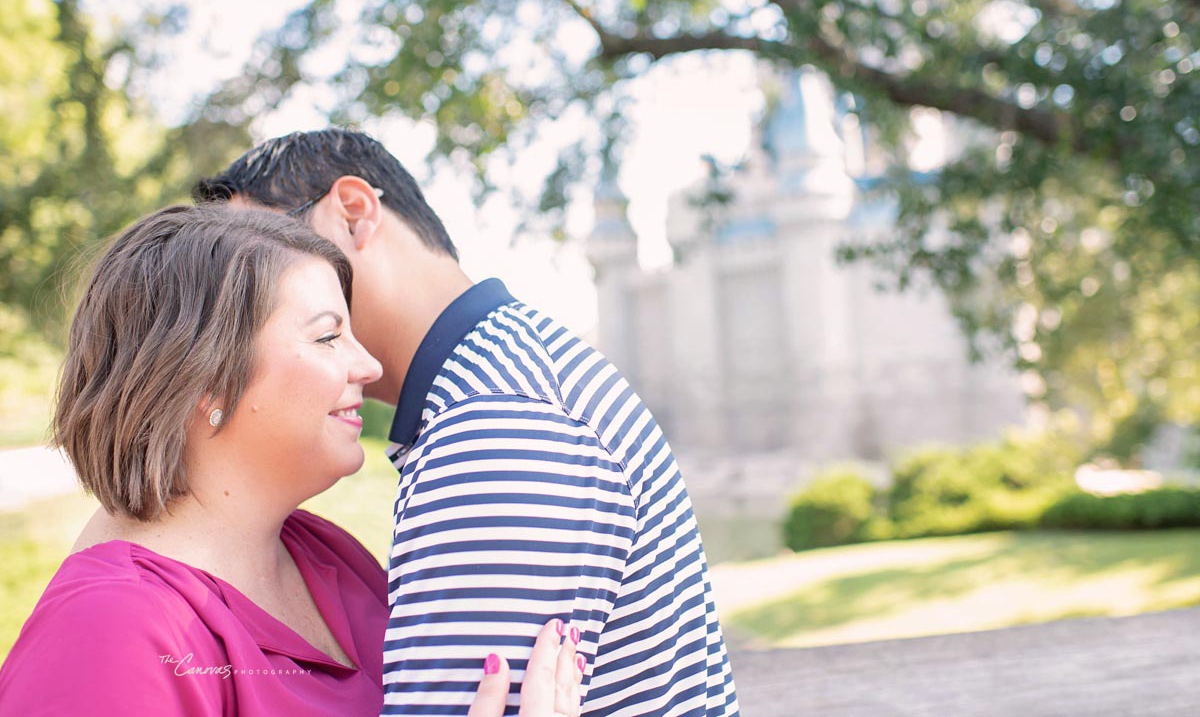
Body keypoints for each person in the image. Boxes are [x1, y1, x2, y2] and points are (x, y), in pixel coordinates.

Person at [196, 128, 741, 716]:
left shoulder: (494, 431)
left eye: (254, 264)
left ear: (353, 215)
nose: (236, 311)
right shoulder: (502, 384)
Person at [0, 205, 583, 717]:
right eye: (329, 338)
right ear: (206, 380)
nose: (370, 367)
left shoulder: (326, 555)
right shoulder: (110, 632)